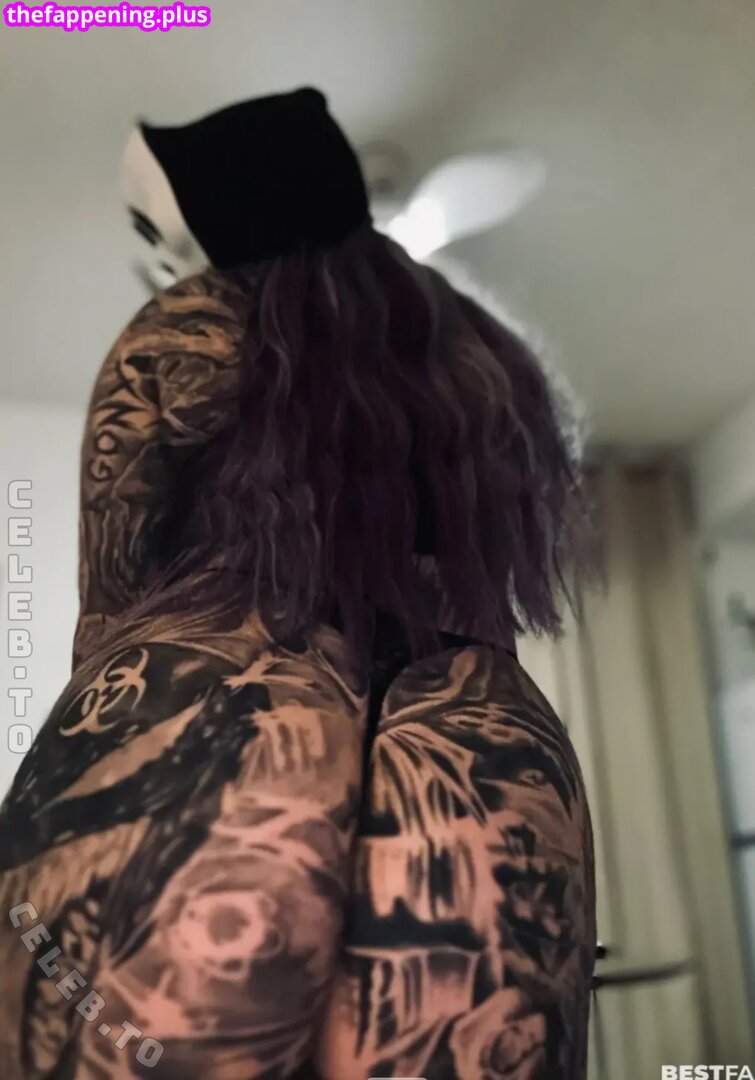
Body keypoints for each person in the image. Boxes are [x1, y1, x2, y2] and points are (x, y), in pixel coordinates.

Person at [0, 88, 597, 1079]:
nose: (164, 258)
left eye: (166, 233)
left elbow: (112, 591)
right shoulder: (473, 357)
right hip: (483, 730)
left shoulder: (186, 322)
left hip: (212, 688)